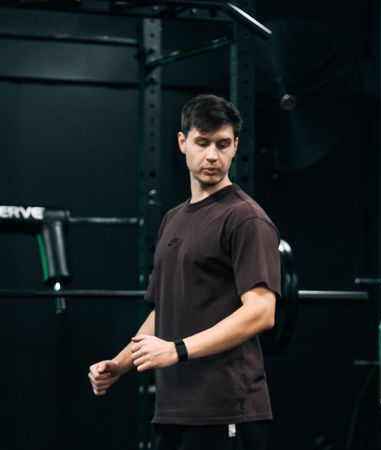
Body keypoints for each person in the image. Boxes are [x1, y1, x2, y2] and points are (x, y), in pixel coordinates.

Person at [88, 94, 281, 450]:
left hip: (226, 411)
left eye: (223, 144)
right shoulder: (173, 219)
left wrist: (176, 350)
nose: (212, 155)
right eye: (202, 142)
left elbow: (261, 312)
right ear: (182, 142)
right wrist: (119, 365)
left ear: (236, 146)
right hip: (174, 409)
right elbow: (164, 309)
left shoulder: (245, 218)